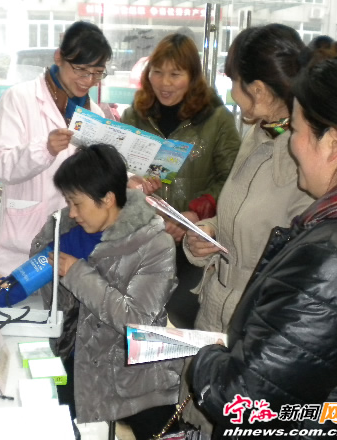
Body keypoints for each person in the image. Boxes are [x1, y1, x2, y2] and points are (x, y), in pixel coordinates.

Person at [189, 44, 337, 439]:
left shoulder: (330, 257)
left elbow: (240, 397)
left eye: (297, 131)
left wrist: (203, 356)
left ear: (332, 143)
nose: (291, 143)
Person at [30, 144, 181, 440]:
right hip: (77, 358)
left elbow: (135, 320)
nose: (72, 212)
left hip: (135, 371)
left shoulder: (155, 244)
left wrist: (76, 273)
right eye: (68, 202)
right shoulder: (65, 231)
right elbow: (30, 283)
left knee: (159, 429)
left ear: (108, 198)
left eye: (77, 203)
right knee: (50, 421)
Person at [120, 33, 242, 329]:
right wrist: (130, 182)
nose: (164, 83)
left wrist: (194, 216)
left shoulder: (216, 119)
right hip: (140, 240)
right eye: (157, 72)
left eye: (175, 74)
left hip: (193, 245)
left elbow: (233, 179)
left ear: (192, 76)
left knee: (179, 323)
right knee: (133, 319)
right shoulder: (134, 116)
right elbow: (116, 171)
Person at [0, 21, 112, 276]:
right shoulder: (19, 98)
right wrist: (44, 149)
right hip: (22, 243)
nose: (88, 80)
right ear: (59, 57)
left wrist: (129, 180)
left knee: (62, 300)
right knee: (16, 298)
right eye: (81, 70)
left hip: (73, 240)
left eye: (97, 73)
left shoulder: (95, 114)